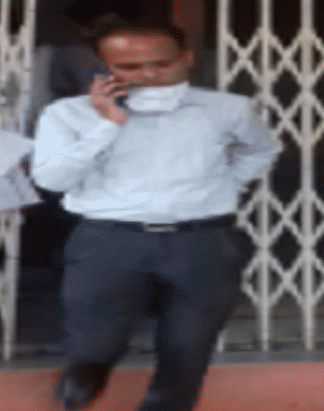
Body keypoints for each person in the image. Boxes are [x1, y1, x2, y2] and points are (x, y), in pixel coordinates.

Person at [31, 21, 281, 411]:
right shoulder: (66, 114)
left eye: (162, 64)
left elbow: (260, 150)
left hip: (203, 240)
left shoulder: (228, 109)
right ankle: (88, 371)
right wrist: (106, 124)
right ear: (104, 66)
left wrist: (228, 186)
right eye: (128, 67)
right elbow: (52, 179)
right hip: (108, 241)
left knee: (189, 345)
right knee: (95, 339)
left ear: (186, 58)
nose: (148, 75)